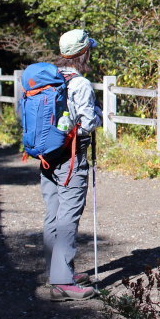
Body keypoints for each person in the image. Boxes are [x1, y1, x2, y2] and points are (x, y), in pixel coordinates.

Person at [41, 28, 102, 301]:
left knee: (53, 214)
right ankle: (63, 281)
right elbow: (88, 123)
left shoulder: (48, 80)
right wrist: (99, 114)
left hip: (47, 156)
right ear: (83, 52)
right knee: (68, 217)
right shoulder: (80, 84)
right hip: (72, 158)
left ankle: (56, 270)